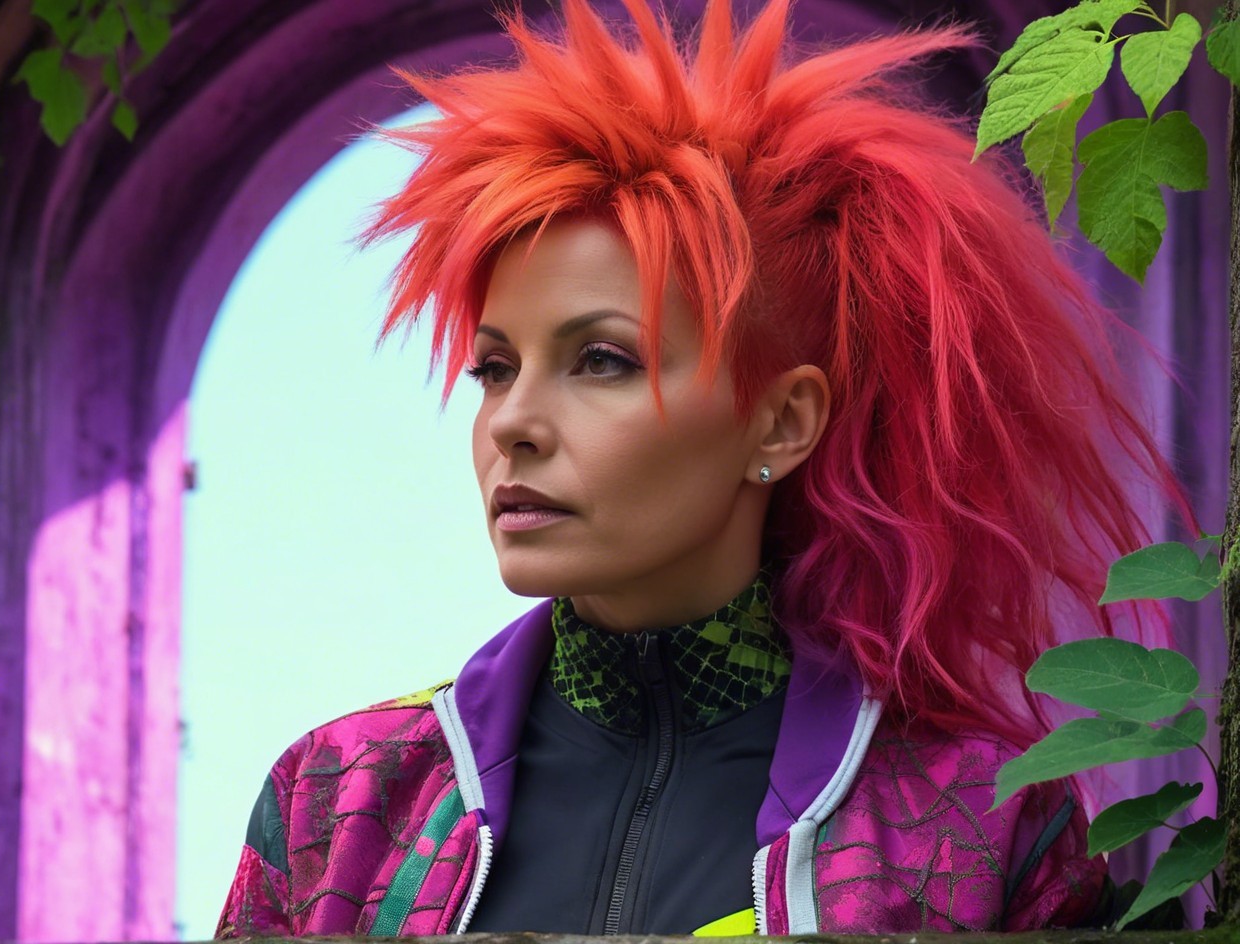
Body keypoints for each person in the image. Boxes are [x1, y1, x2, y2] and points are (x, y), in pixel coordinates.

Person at [215, 0, 1199, 935]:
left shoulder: (980, 823)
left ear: (779, 422)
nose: (511, 422)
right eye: (494, 367)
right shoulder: (342, 799)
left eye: (600, 358)